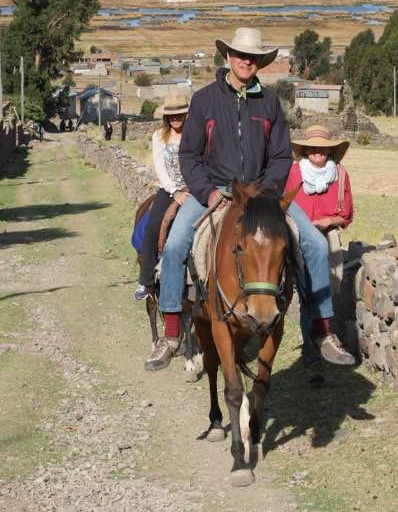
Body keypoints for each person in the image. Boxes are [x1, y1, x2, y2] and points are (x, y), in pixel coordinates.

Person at [144, 28, 355, 371]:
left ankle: (322, 331)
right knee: (175, 243)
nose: (246, 61)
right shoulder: (205, 100)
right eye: (240, 55)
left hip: (263, 195)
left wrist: (265, 192)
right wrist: (208, 191)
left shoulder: (269, 103)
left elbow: (282, 157)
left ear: (259, 62)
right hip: (212, 191)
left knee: (315, 244)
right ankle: (170, 334)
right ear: (227, 57)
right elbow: (190, 156)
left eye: (252, 57)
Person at [284, 125, 353, 364]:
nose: (317, 153)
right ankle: (312, 352)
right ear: (305, 149)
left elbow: (346, 214)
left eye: (323, 149)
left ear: (330, 152)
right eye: (313, 148)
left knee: (325, 292)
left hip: (328, 237)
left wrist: (328, 221)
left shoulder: (340, 175)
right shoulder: (293, 174)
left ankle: (320, 344)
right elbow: (283, 204)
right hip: (299, 237)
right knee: (307, 294)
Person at [134, 94, 190, 301]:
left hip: (194, 188)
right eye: (171, 116)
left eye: (179, 115)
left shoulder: (194, 134)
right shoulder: (159, 136)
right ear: (166, 117)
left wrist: (193, 188)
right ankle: (146, 279)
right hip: (169, 189)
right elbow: (160, 167)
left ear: (185, 114)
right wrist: (175, 191)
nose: (175, 119)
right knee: (152, 226)